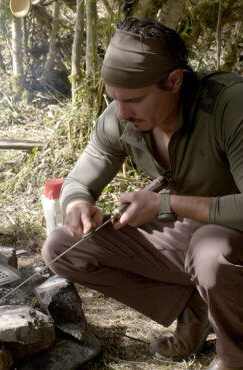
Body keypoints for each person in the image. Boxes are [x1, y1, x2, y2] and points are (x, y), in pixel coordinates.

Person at [42, 18, 243, 370]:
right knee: (62, 247)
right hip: (193, 237)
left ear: (174, 81)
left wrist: (164, 203)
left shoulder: (230, 106)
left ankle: (234, 357)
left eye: (133, 100)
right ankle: (194, 310)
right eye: (114, 99)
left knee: (210, 251)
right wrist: (77, 203)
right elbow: (81, 177)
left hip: (229, 241)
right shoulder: (120, 116)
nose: (121, 112)